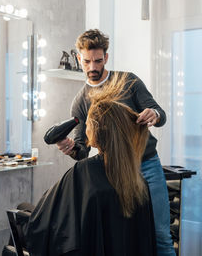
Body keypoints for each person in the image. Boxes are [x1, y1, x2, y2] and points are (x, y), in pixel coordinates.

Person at [57, 29, 176, 256]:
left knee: (160, 235)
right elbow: (82, 151)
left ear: (106, 58)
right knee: (125, 237)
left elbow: (160, 113)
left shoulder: (128, 81)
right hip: (112, 173)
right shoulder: (80, 101)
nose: (92, 67)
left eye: (98, 61)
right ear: (79, 59)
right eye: (87, 61)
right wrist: (72, 148)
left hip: (146, 165)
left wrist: (155, 114)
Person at [24, 82, 157, 255]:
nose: (85, 128)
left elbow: (46, 222)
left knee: (26, 211)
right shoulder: (139, 181)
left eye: (87, 124)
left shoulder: (83, 170)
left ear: (95, 131)